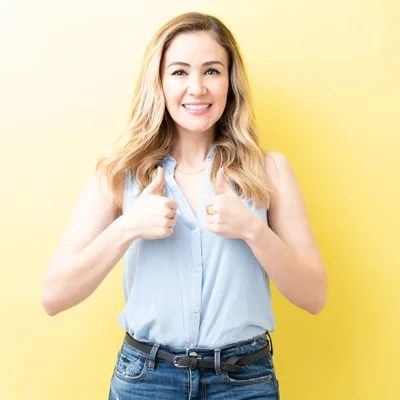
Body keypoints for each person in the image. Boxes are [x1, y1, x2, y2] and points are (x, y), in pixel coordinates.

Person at [41, 11, 327, 399]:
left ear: (230, 82)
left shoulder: (269, 170)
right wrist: (128, 226)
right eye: (179, 72)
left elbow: (314, 296)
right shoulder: (119, 173)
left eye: (211, 71)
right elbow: (54, 295)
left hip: (244, 383)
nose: (197, 88)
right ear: (158, 82)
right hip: (148, 380)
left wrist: (252, 230)